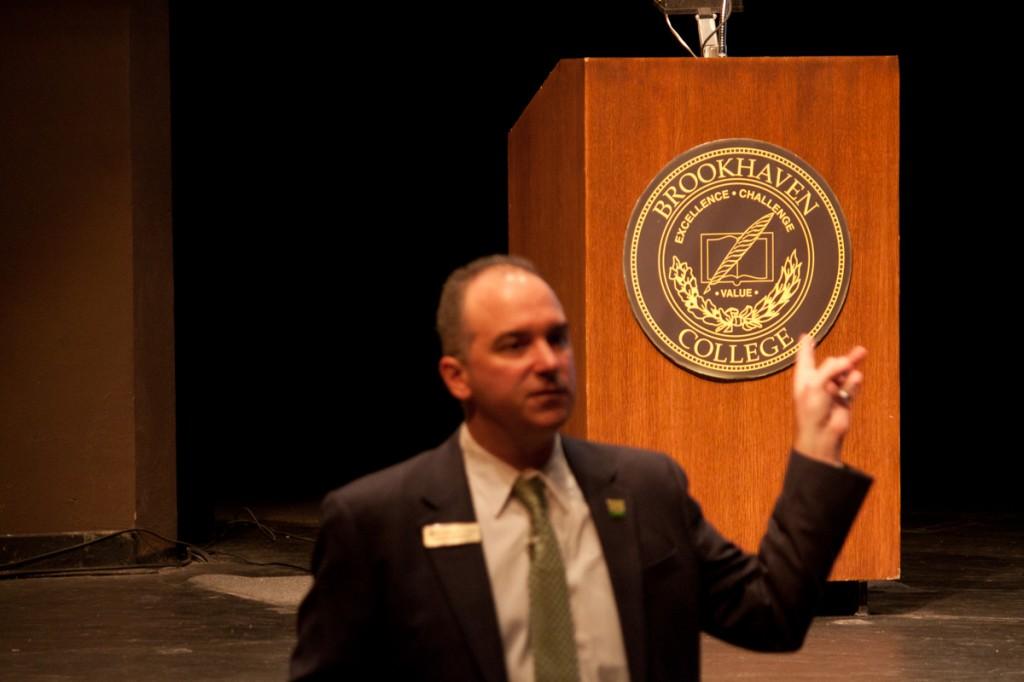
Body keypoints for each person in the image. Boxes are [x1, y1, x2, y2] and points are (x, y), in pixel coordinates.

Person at [290, 255, 872, 682]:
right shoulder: (376, 520)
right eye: (515, 345)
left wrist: (817, 446)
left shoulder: (647, 489)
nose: (548, 362)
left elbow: (771, 613)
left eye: (557, 338)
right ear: (456, 376)